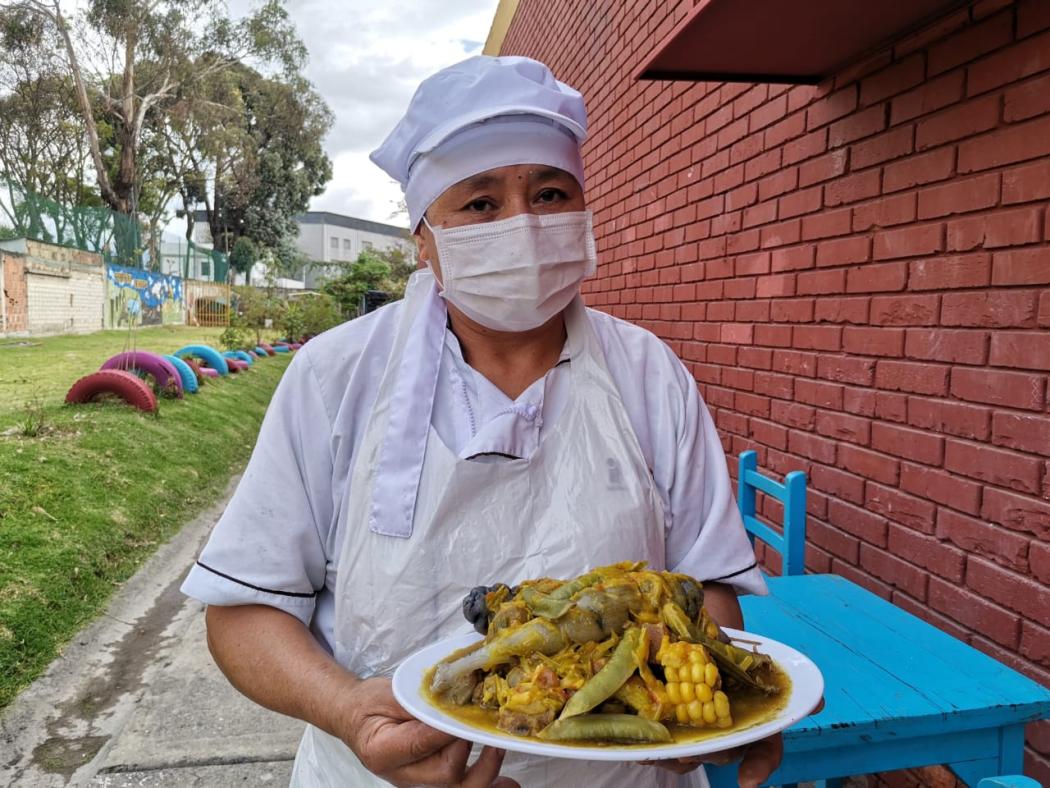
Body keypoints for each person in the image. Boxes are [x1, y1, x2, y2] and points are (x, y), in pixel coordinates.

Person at [182, 55, 781, 787]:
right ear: (424, 239)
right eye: (480, 203)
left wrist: (717, 692)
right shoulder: (334, 377)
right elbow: (243, 610)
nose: (523, 225)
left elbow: (705, 585)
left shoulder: (650, 373)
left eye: (551, 192)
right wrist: (346, 712)